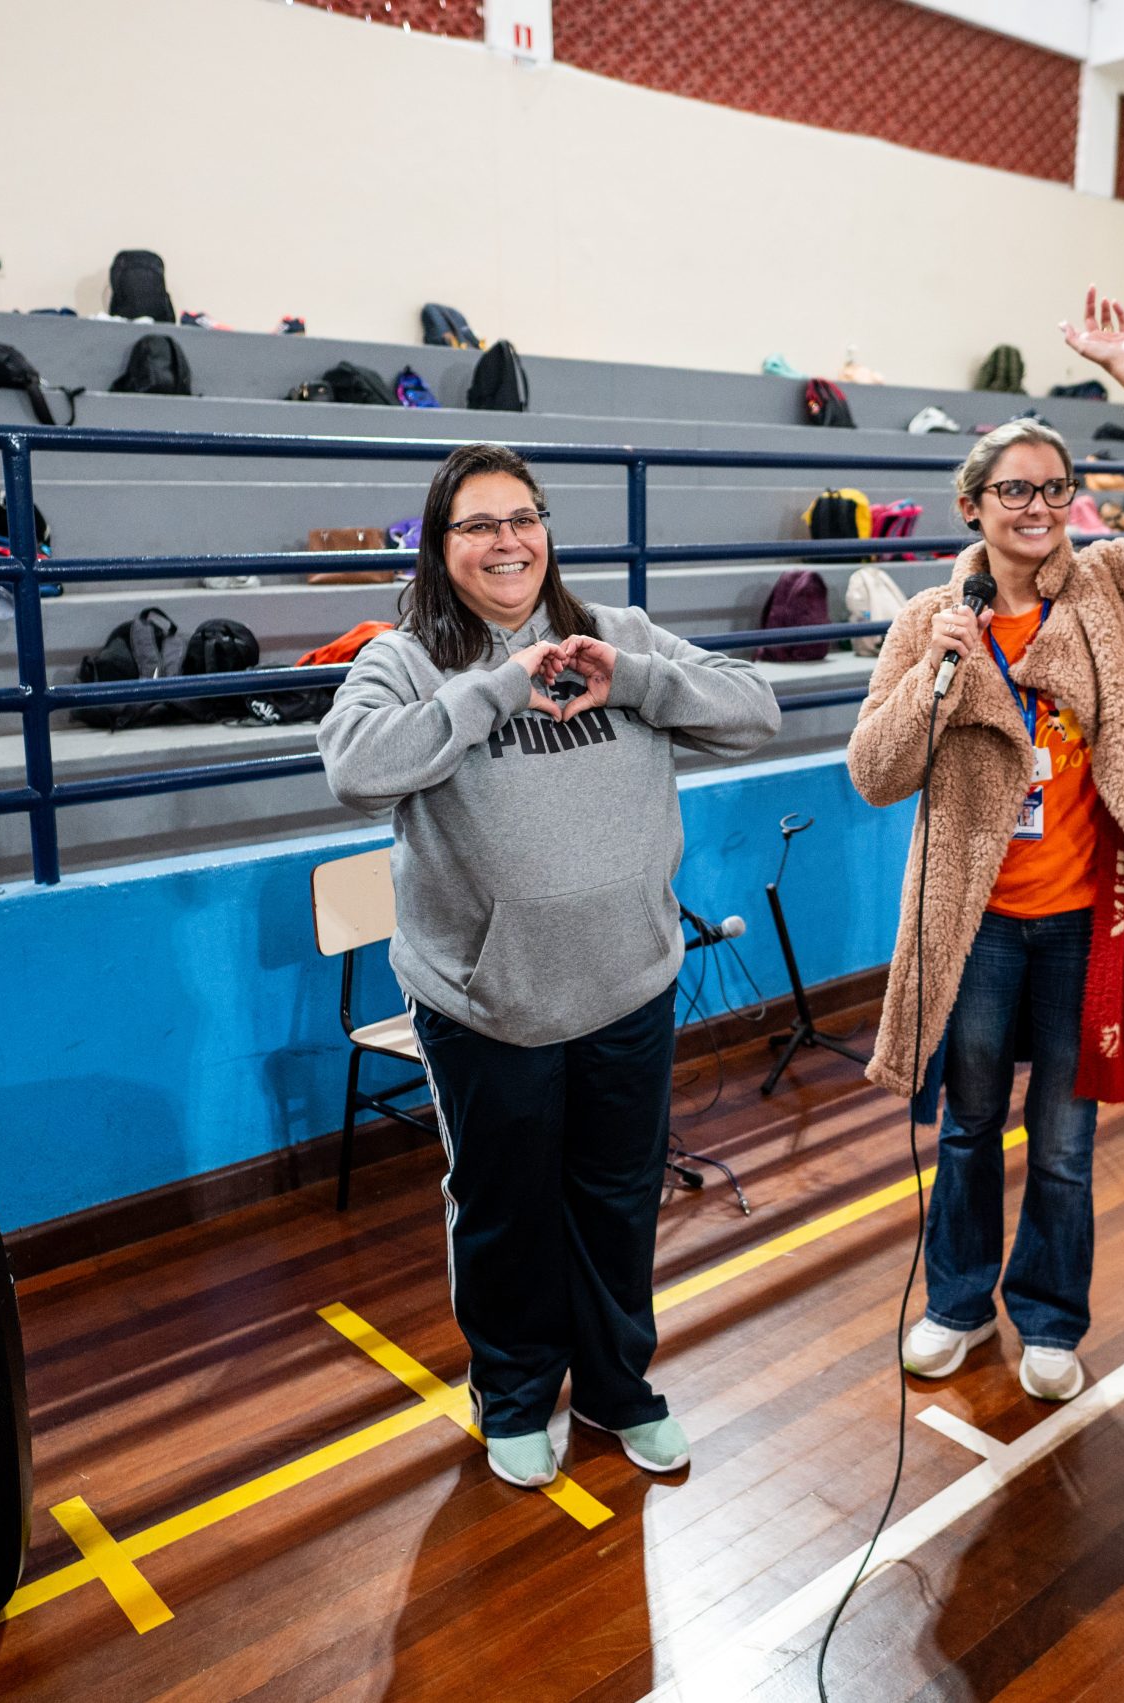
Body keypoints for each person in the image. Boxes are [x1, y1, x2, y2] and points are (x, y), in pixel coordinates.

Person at [318, 444, 779, 1489]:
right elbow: (353, 767)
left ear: (546, 531)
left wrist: (639, 681)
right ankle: (516, 1393)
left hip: (628, 985)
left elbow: (755, 710)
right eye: (478, 524)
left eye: (522, 517)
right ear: (442, 546)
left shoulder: (617, 635)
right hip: (488, 1000)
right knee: (504, 1210)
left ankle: (619, 1387)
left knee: (619, 1200)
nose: (506, 541)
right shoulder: (406, 657)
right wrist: (493, 691)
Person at [846, 290, 1124, 1401]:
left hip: (1088, 921)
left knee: (1065, 1141)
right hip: (980, 929)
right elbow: (875, 772)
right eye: (1014, 488)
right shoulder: (926, 623)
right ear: (972, 504)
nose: (1037, 505)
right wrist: (937, 675)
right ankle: (954, 1302)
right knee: (968, 1128)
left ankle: (1048, 1318)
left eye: (1053, 486)